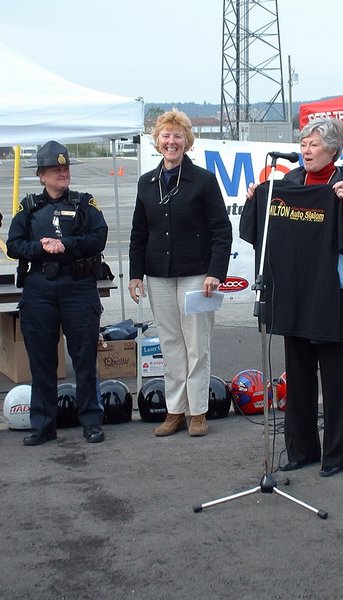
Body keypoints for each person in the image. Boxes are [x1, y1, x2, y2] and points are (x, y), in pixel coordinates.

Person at [240, 117, 343, 477]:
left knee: (336, 382)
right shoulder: (287, 183)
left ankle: (337, 455)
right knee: (300, 379)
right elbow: (256, 231)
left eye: (314, 144)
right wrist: (254, 200)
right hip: (293, 293)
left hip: (333, 296)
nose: (306, 150)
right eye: (304, 143)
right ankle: (302, 450)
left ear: (334, 150)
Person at [128, 110, 232, 437]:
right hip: (158, 274)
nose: (171, 142)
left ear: (187, 141)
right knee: (170, 343)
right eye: (165, 136)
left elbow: (221, 231)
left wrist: (216, 272)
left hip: (196, 275)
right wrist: (135, 275)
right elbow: (138, 233)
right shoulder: (147, 183)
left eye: (177, 136)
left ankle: (198, 411)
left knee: (196, 344)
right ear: (156, 141)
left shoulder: (203, 180)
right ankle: (175, 410)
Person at [7, 140, 108, 446]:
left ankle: (91, 420)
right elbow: (13, 245)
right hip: (39, 290)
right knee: (41, 360)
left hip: (78, 287)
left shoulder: (85, 203)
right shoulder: (28, 208)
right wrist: (39, 247)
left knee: (83, 358)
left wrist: (68, 245)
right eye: (55, 169)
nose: (62, 173)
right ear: (41, 175)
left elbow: (99, 238)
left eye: (65, 169)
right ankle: (43, 424)